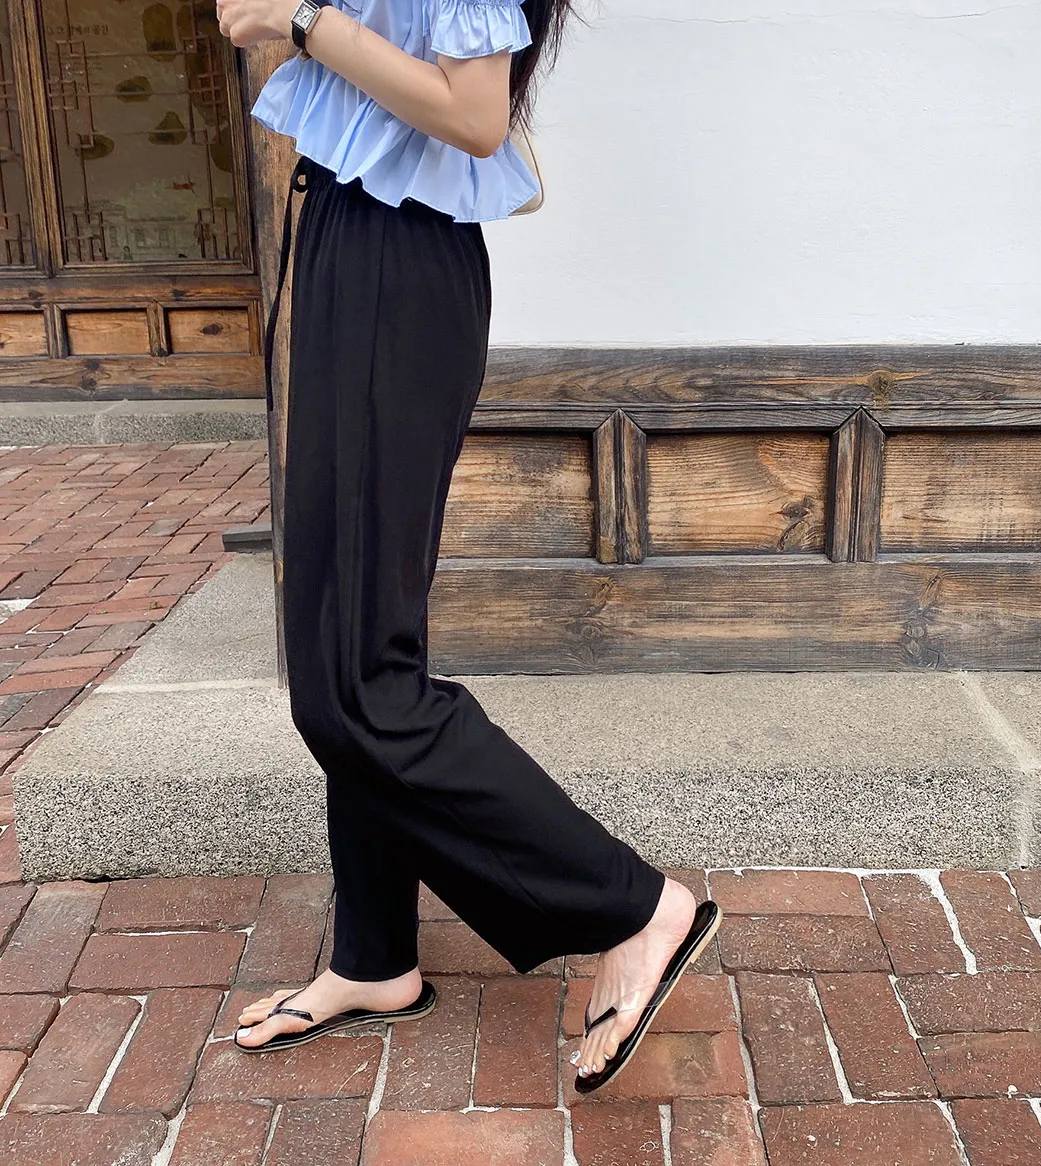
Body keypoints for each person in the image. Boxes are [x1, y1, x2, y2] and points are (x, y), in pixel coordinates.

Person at [215, 0, 720, 1092]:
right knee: (348, 648)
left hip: (394, 262)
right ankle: (373, 957)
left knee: (355, 682)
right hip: (349, 233)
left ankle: (635, 905)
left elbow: (475, 114)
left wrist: (296, 20)